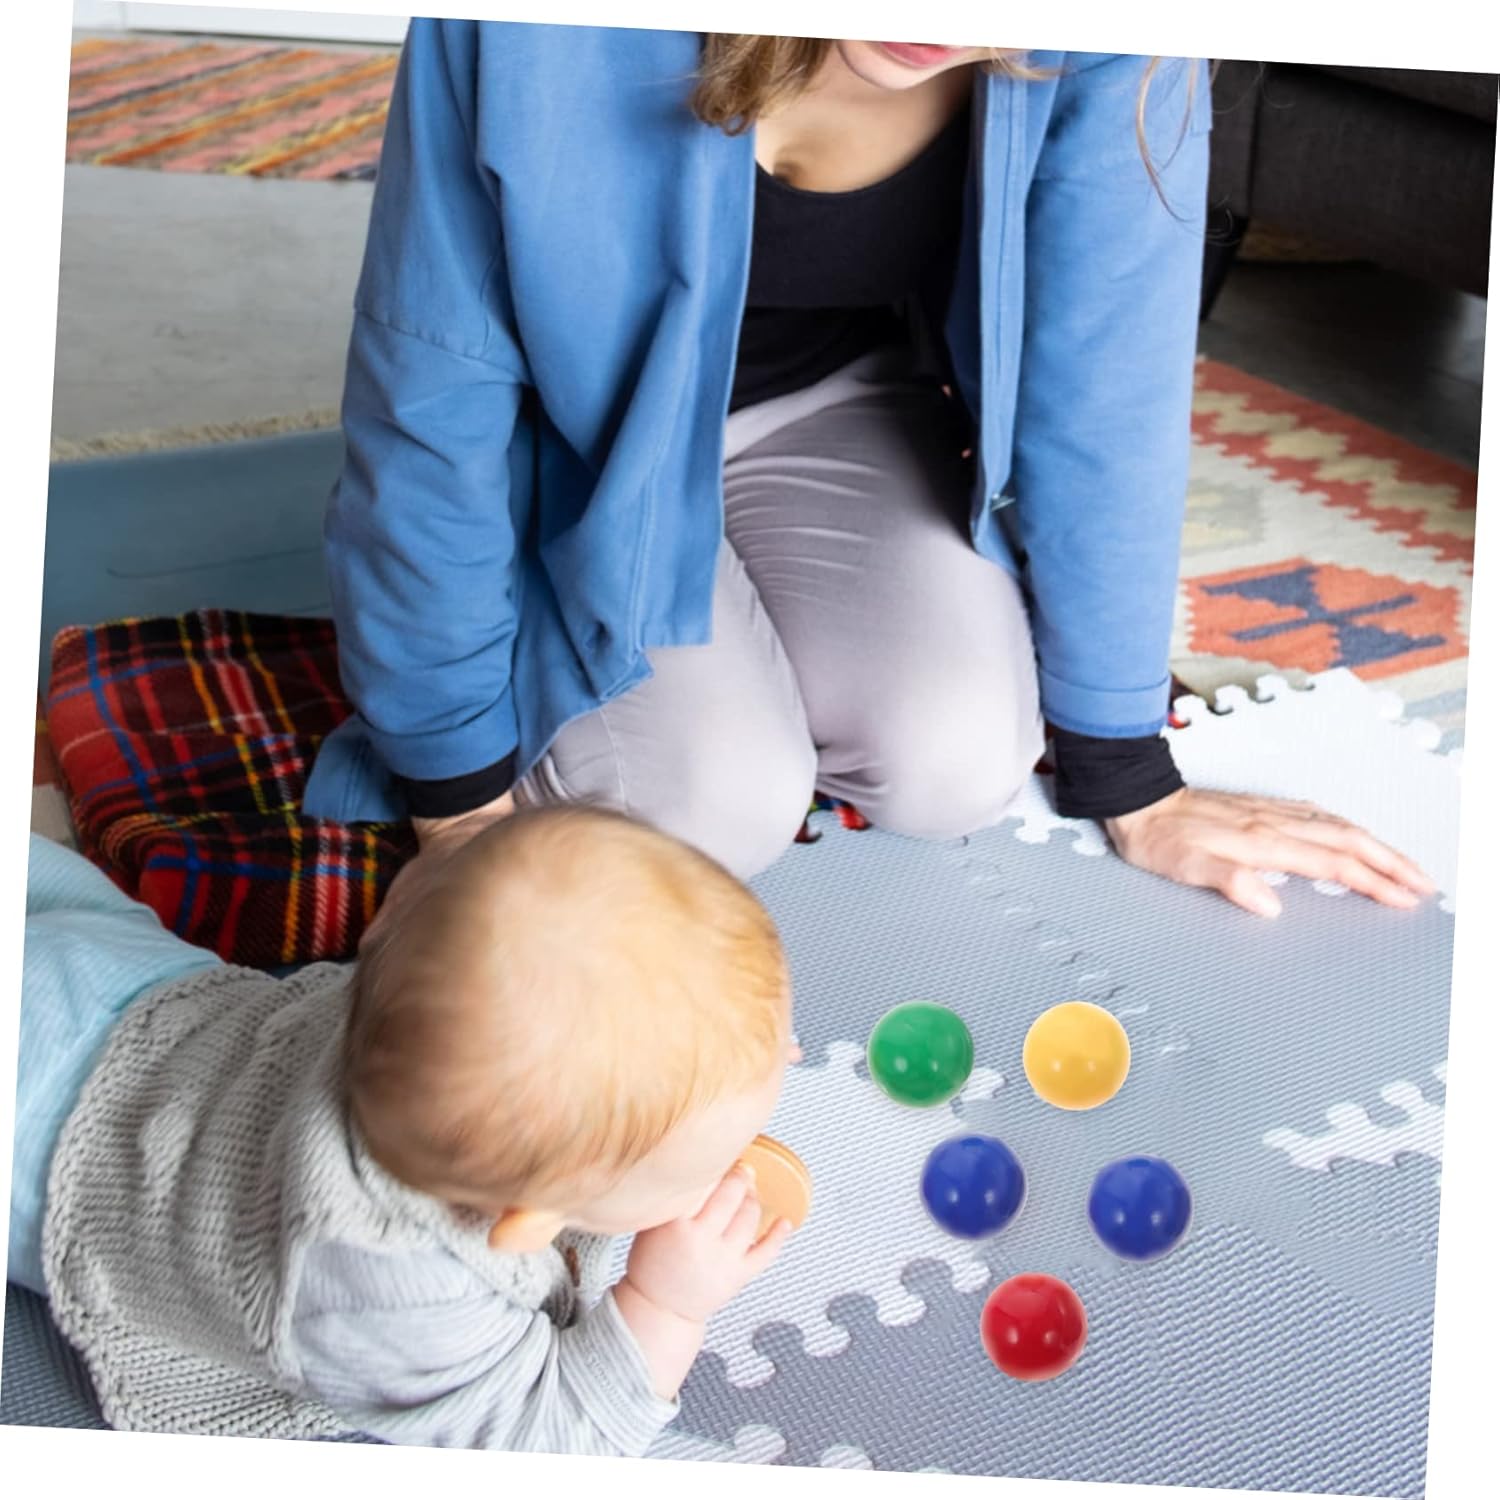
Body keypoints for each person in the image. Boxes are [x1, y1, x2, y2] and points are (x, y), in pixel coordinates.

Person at [303, 24, 1434, 925]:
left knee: (957, 762)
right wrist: (455, 798)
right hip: (570, 450)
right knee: (708, 800)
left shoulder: (1108, 39)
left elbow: (1109, 382)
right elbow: (429, 391)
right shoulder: (541, 33)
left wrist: (1129, 770)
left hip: (827, 406)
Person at [10, 811, 796, 1451]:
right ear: (526, 1224)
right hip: (46, 1137)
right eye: (712, 1161)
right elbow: (551, 1435)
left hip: (111, 970)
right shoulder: (387, 1283)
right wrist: (665, 1303)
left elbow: (593, 988)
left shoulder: (441, 992)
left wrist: (735, 1043)